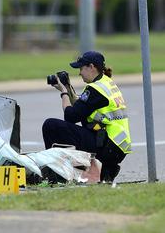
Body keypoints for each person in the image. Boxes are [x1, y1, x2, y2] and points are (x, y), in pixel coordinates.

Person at [42, 50, 131, 182]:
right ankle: (105, 169)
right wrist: (68, 87)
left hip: (107, 147)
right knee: (78, 129)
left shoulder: (95, 90)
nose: (79, 72)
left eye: (81, 68)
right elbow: (82, 106)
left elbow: (71, 116)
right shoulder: (105, 82)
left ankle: (57, 173)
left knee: (50, 125)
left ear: (91, 67)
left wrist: (64, 93)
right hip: (115, 146)